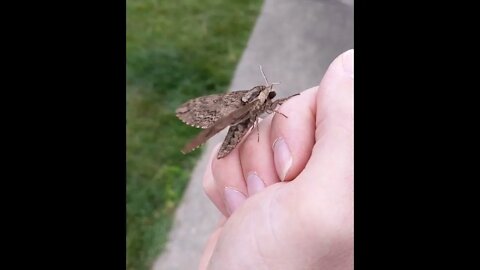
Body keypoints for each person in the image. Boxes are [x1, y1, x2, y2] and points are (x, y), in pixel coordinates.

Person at [199, 49, 354, 270]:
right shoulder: (253, 104)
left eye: (271, 97)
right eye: (270, 97)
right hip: (238, 128)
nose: (272, 99)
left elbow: (273, 108)